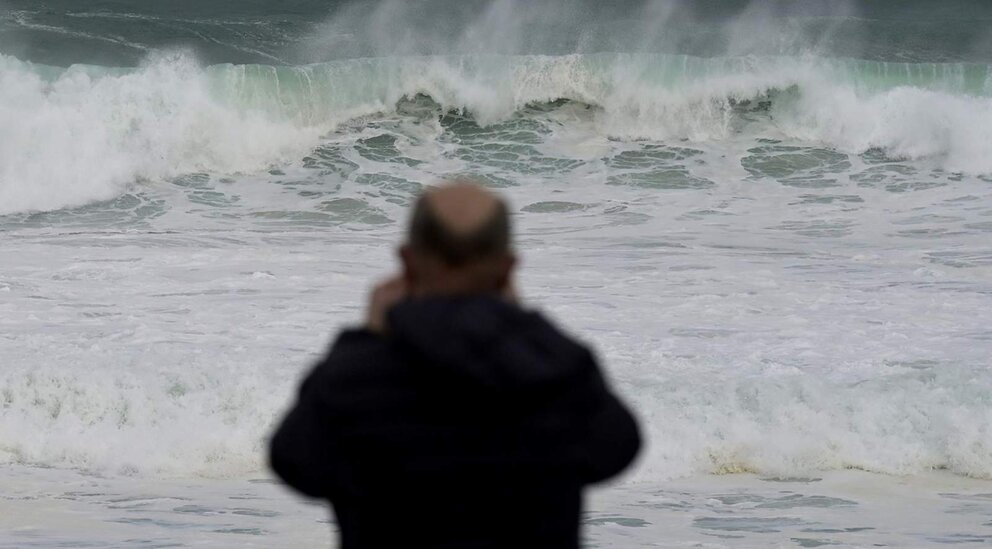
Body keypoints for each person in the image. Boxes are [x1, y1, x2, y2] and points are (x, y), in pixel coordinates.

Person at [269, 180, 641, 548]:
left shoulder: (355, 377)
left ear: (407, 262)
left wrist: (368, 336)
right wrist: (521, 325)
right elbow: (617, 451)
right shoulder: (557, 371)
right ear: (508, 268)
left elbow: (295, 463)